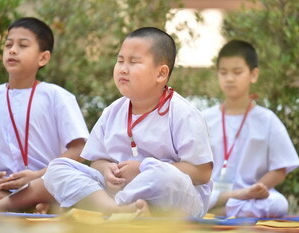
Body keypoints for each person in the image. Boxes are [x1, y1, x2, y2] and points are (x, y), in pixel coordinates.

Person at [43, 27, 214, 218]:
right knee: (58, 168)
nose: (123, 69)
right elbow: (97, 161)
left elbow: (202, 172)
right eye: (120, 60)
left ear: (161, 73)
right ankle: (117, 210)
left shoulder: (183, 113)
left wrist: (142, 169)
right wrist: (107, 170)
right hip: (119, 190)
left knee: (163, 175)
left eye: (133, 62)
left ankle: (107, 209)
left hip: (174, 200)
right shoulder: (113, 111)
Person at [0, 17, 89, 211]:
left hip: (42, 182)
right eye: (8, 44)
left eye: (23, 45)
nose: (13, 50)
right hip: (0, 186)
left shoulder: (56, 96)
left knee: (51, 184)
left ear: (42, 58)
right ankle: (21, 205)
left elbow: (80, 149)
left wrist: (37, 175)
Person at [203, 39, 299, 218]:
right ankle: (220, 206)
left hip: (249, 196)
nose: (229, 78)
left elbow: (281, 168)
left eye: (237, 72)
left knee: (278, 203)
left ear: (253, 75)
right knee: (188, 194)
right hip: (211, 193)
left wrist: (254, 191)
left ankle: (220, 211)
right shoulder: (204, 118)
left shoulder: (267, 119)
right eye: (223, 72)